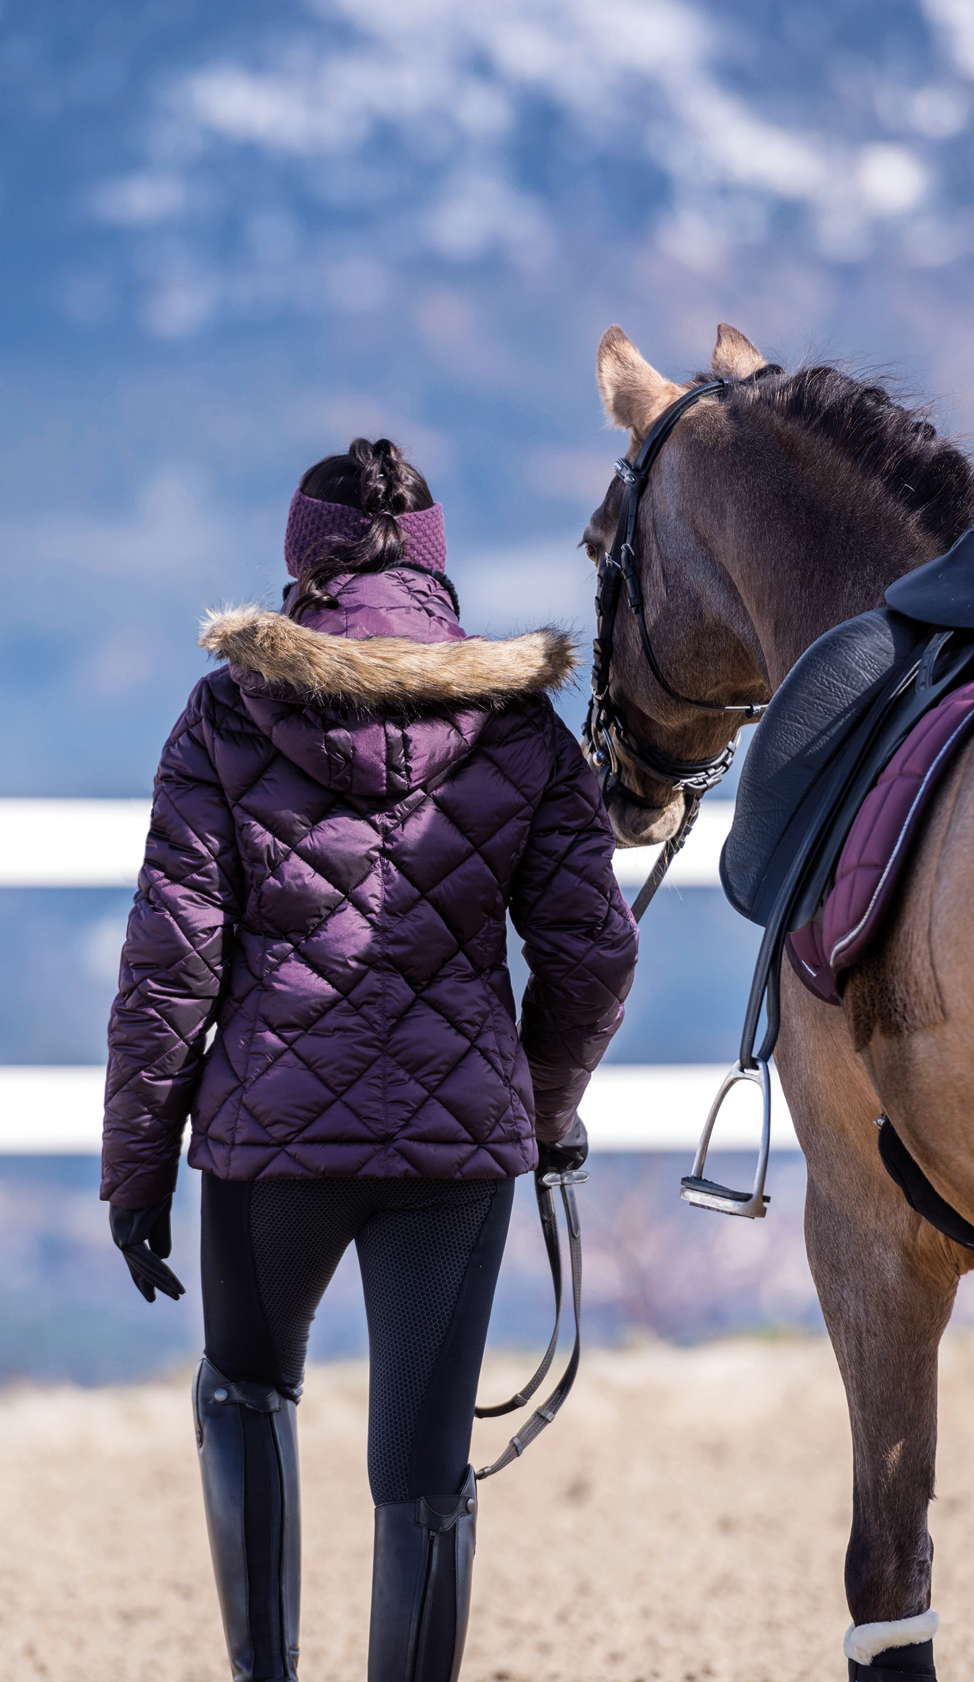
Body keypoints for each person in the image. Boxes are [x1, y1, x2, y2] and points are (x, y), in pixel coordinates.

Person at [100, 437, 638, 1682]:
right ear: (438, 570)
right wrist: (539, 1107)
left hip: (265, 1142)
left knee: (242, 1390)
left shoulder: (229, 713)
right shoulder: (518, 720)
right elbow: (592, 955)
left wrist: (137, 1172)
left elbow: (169, 968)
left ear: (299, 562)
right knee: (423, 1472)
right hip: (456, 1160)